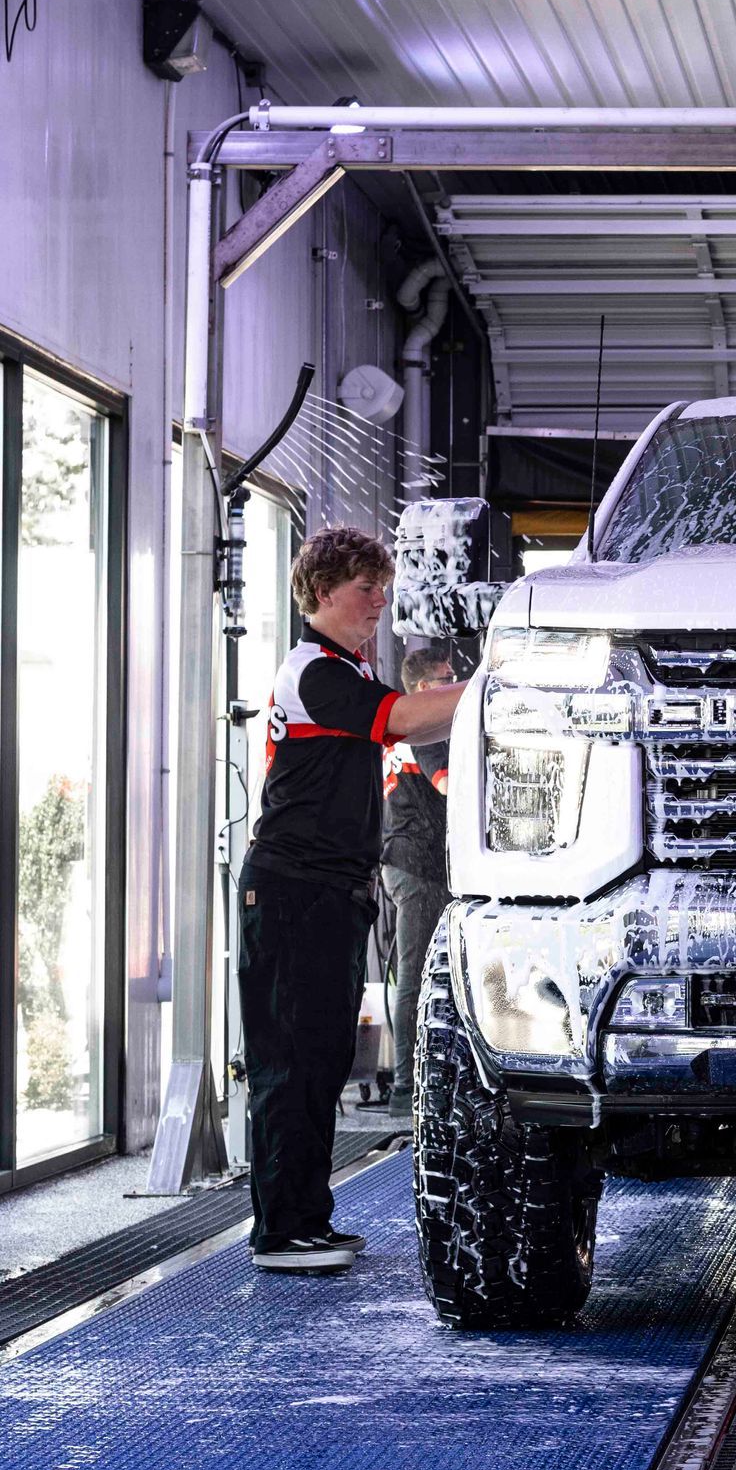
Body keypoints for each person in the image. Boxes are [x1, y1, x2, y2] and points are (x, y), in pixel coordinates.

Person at [239, 529, 464, 1275]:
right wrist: (495, 678)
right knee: (292, 1061)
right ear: (321, 591)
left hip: (329, 892)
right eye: (364, 587)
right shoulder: (313, 670)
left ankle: (305, 1218)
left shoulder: (345, 665)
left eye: (381, 586)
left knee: (323, 1057)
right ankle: (279, 1231)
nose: (378, 600)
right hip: (292, 890)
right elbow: (399, 718)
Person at [382, 640, 459, 1114]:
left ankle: (411, 1085)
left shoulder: (404, 730)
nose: (455, 686)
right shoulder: (427, 731)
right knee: (417, 977)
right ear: (427, 687)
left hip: (405, 863)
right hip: (420, 868)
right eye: (449, 678)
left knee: (415, 974)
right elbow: (449, 784)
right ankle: (406, 1091)